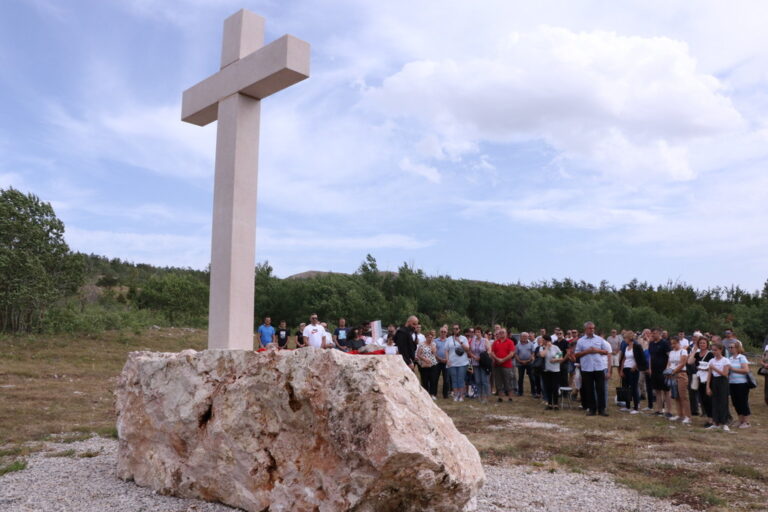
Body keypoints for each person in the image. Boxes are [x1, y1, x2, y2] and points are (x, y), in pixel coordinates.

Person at [574, 321, 611, 416]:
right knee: (589, 389)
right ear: (585, 329)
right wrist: (587, 351)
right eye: (590, 328)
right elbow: (576, 354)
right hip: (586, 368)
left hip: (599, 367)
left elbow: (606, 352)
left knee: (601, 389)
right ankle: (592, 409)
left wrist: (596, 350)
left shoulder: (599, 339)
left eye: (593, 328)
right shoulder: (580, 341)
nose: (592, 330)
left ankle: (602, 409)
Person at [619, 331, 646, 414]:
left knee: (634, 387)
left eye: (625, 338)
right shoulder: (626, 347)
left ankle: (636, 406)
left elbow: (641, 358)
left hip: (633, 369)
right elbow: (624, 359)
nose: (624, 340)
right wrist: (621, 370)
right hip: (626, 368)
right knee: (626, 387)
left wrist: (636, 366)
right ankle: (627, 405)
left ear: (630, 338)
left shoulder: (637, 346)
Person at [689, 336, 714, 426]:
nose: (702, 344)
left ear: (707, 344)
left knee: (708, 399)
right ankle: (708, 418)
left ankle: (712, 419)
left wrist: (704, 368)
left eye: (703, 343)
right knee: (703, 399)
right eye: (700, 343)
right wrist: (694, 350)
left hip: (708, 379)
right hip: (700, 379)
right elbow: (689, 362)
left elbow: (713, 367)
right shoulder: (697, 354)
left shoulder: (710, 354)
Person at [706, 341, 731, 431]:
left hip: (723, 381)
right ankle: (715, 422)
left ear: (721, 350)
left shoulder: (725, 360)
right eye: (712, 350)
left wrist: (715, 368)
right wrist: (708, 386)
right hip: (715, 381)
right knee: (715, 402)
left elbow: (725, 374)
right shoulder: (711, 360)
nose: (714, 352)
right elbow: (709, 375)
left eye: (716, 350)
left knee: (723, 402)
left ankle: (724, 422)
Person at [666, 336, 691, 424]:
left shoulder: (683, 351)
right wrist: (668, 371)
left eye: (674, 343)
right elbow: (669, 363)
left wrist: (674, 371)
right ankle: (680, 414)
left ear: (678, 343)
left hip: (681, 374)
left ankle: (688, 416)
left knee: (683, 396)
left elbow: (682, 363)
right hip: (672, 375)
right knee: (676, 395)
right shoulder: (671, 352)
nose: (673, 345)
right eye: (671, 344)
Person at [727, 340, 751, 428]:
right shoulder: (730, 358)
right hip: (732, 383)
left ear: (737, 348)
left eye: (731, 347)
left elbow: (746, 370)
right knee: (735, 402)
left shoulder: (742, 358)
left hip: (742, 383)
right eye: (729, 347)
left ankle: (746, 421)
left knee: (743, 402)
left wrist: (732, 369)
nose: (730, 349)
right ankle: (740, 420)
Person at [648, 328, 671, 417]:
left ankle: (668, 411)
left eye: (654, 333)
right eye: (652, 333)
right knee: (657, 390)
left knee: (666, 391)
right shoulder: (651, 344)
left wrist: (667, 368)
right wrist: (650, 368)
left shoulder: (664, 343)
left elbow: (670, 356)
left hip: (663, 371)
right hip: (654, 370)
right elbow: (650, 356)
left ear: (659, 334)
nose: (653, 335)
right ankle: (659, 409)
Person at [446, 324, 470, 402]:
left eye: (456, 328)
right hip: (452, 362)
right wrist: (447, 360)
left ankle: (461, 395)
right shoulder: (449, 339)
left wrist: (460, 341)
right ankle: (456, 395)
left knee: (461, 379)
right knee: (454, 379)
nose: (455, 330)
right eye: (454, 329)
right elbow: (446, 350)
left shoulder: (464, 338)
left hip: (462, 363)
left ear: (459, 330)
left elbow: (467, 349)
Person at [491, 328, 516, 402]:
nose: (501, 334)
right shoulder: (496, 342)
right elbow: (492, 352)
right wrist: (497, 359)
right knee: (498, 381)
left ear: (506, 334)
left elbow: (511, 353)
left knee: (508, 381)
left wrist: (503, 360)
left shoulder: (510, 342)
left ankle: (510, 397)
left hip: (507, 365)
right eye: (500, 332)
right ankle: (500, 397)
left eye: (503, 332)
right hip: (497, 364)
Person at [540, 334, 564, 410]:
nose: (542, 341)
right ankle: (550, 404)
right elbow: (542, 355)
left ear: (548, 340)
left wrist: (555, 360)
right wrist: (546, 347)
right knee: (548, 387)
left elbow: (560, 357)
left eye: (543, 340)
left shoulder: (556, 347)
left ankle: (556, 404)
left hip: (555, 370)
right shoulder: (542, 348)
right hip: (546, 370)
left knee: (555, 387)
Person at [468, 326, 492, 402]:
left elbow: (489, 350)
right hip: (475, 363)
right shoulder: (472, 341)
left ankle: (486, 396)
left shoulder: (485, 340)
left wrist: (482, 357)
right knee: (478, 381)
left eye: (479, 332)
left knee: (484, 381)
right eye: (476, 332)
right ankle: (479, 395)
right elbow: (470, 351)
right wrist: (474, 357)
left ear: (481, 333)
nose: (477, 333)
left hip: (483, 363)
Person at [416, 330, 439, 399]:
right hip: (424, 364)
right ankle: (425, 394)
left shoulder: (434, 344)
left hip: (433, 364)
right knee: (425, 379)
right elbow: (418, 354)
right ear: (425, 337)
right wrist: (424, 359)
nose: (430, 338)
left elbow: (434, 353)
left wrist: (432, 345)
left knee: (433, 379)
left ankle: (432, 394)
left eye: (431, 337)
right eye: (428, 337)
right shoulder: (421, 344)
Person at [515, 332, 535, 397]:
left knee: (532, 377)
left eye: (526, 336)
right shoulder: (518, 345)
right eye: (523, 336)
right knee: (520, 378)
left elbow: (533, 353)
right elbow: (516, 354)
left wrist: (528, 360)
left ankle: (533, 392)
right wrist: (520, 361)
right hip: (520, 363)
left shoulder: (531, 344)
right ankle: (520, 392)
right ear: (520, 337)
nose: (524, 338)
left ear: (527, 337)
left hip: (529, 363)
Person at [435, 326, 451, 399]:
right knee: (435, 378)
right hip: (437, 362)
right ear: (439, 332)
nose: (443, 333)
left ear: (447, 333)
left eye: (444, 332)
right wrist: (440, 359)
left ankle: (445, 395)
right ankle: (434, 394)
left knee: (446, 379)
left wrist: (446, 359)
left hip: (446, 362)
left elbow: (451, 352)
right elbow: (434, 352)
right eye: (442, 331)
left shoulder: (449, 341)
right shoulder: (435, 341)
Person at [762, 338, 768, 406]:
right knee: (766, 386)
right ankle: (766, 399)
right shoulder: (766, 351)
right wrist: (764, 364)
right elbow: (762, 360)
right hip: (767, 371)